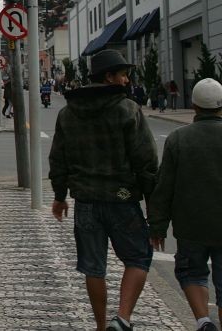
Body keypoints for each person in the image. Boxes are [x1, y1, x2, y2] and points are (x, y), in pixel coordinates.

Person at [48, 49, 158, 331]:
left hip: (85, 199)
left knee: (93, 266)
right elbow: (146, 162)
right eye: (123, 75)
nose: (126, 80)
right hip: (122, 196)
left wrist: (59, 196)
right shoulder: (127, 109)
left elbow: (58, 159)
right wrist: (152, 203)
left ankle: (100, 326)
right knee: (138, 257)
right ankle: (122, 318)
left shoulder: (68, 113)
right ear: (109, 77)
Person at [147, 77, 222, 331]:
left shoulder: (178, 139)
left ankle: (203, 321)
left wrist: (157, 226)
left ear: (195, 105)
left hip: (190, 225)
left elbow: (164, 186)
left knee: (191, 273)